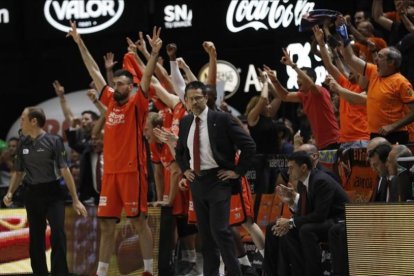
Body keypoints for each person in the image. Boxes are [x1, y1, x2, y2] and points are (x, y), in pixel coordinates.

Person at [67, 21, 162, 276]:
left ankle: (149, 271)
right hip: (110, 174)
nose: (117, 87)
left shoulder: (137, 104)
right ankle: (101, 272)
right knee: (106, 225)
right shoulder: (109, 101)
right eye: (116, 84)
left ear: (130, 88)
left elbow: (147, 78)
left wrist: (153, 55)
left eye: (122, 85)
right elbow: (94, 70)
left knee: (138, 222)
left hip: (133, 171)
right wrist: (79, 42)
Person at [175, 81, 256, 276]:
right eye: (190, 99)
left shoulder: (222, 119)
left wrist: (237, 171)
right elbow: (180, 152)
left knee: (220, 231)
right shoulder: (185, 122)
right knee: (205, 235)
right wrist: (185, 170)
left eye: (198, 98)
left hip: (219, 180)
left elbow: (249, 145)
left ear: (206, 98)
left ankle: (235, 272)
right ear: (185, 100)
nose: (194, 102)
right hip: (197, 181)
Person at [2, 106, 87, 276]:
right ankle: (40, 273)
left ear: (34, 121)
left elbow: (65, 171)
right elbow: (18, 172)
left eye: (23, 119)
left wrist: (75, 199)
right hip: (32, 194)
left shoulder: (54, 141)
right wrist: (10, 192)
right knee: (36, 237)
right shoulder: (22, 143)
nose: (21, 122)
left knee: (58, 233)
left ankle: (59, 273)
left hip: (53, 193)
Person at [264, 151, 349, 276]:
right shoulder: (303, 183)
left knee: (305, 230)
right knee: (273, 227)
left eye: (291, 168)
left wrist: (290, 222)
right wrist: (291, 203)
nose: (288, 172)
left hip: (339, 220)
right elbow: (305, 212)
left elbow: (319, 215)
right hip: (324, 219)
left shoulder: (321, 181)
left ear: (303, 167)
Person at [338, 17, 414, 144]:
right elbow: (350, 58)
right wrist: (342, 30)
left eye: (380, 57)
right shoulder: (373, 71)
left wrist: (393, 126)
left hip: (396, 135)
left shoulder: (401, 82)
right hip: (374, 134)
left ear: (391, 62)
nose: (376, 59)